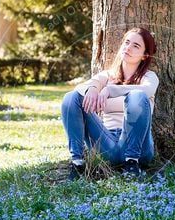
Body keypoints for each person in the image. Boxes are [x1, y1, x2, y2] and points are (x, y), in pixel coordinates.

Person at [61, 27, 159, 179]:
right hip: (107, 143)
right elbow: (80, 89)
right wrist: (93, 89)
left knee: (136, 96)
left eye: (136, 46)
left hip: (139, 148)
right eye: (127, 42)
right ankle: (78, 163)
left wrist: (111, 90)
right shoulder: (107, 76)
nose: (128, 47)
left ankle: (131, 164)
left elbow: (147, 90)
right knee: (71, 97)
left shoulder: (149, 77)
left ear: (145, 55)